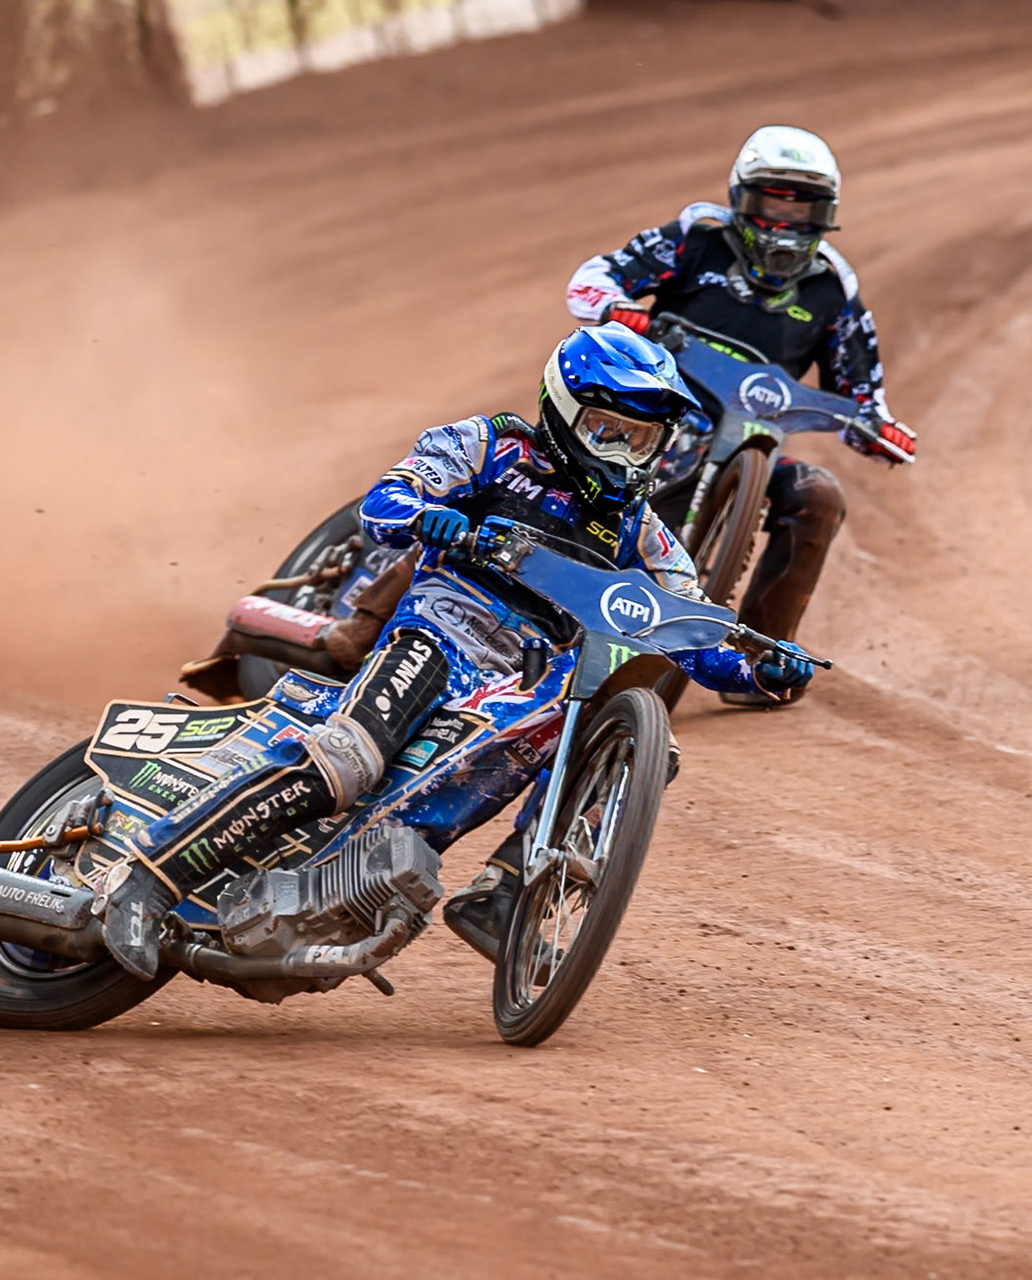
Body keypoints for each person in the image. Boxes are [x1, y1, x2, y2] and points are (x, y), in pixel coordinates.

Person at [93, 326, 814, 979]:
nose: (624, 453)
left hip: (527, 678)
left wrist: (759, 663)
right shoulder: (493, 445)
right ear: (564, 411)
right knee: (351, 759)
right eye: (606, 430)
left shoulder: (646, 533)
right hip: (442, 630)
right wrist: (437, 519)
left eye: (642, 439)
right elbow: (386, 503)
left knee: (627, 744)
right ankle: (145, 879)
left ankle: (503, 893)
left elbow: (691, 628)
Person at [564, 125, 914, 703]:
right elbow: (592, 280)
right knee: (530, 486)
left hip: (747, 441)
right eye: (772, 201)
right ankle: (369, 618)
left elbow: (862, 392)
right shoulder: (694, 240)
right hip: (638, 423)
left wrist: (877, 427)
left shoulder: (832, 288)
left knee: (818, 494)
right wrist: (627, 313)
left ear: (826, 215)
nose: (785, 221)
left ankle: (761, 661)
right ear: (740, 197)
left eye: (803, 207)